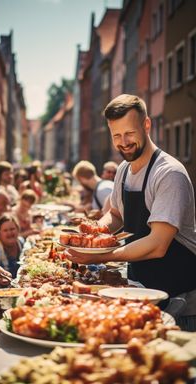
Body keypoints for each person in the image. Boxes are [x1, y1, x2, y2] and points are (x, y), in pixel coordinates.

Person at [66, 94, 196, 331]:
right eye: (117, 136)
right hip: (142, 292)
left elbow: (158, 244)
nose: (123, 142)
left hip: (180, 303)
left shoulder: (169, 174)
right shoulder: (124, 170)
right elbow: (116, 216)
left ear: (146, 125)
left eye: (129, 133)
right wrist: (92, 237)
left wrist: (99, 256)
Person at [0, 213, 24, 278]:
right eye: (5, 230)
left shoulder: (21, 242)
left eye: (12, 229)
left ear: (18, 229)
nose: (9, 233)